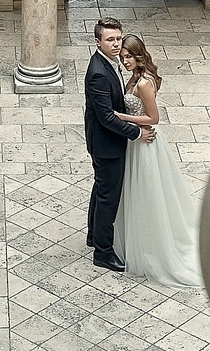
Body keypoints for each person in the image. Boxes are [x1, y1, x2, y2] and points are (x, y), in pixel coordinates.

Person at [110, 35, 203, 287]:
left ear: (139, 55)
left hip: (145, 143)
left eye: (129, 56)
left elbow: (153, 117)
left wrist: (120, 116)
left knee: (148, 192)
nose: (125, 61)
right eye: (122, 57)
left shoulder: (143, 84)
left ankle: (152, 246)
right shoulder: (134, 77)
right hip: (134, 141)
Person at [84, 17, 152, 272]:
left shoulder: (108, 63)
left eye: (118, 39)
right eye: (109, 39)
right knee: (109, 197)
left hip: (104, 142)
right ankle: (103, 252)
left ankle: (93, 235)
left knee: (101, 188)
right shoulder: (98, 74)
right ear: (97, 42)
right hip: (106, 144)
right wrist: (136, 133)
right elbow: (106, 117)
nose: (115, 44)